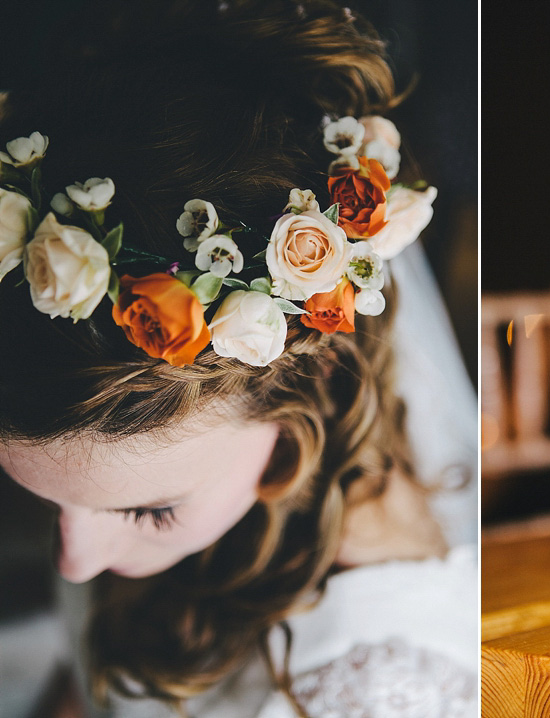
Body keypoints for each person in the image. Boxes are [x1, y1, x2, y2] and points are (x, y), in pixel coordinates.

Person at [0, 1, 478, 716]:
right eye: (47, 499)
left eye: (152, 511)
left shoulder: (376, 689)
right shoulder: (130, 486)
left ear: (295, 419)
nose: (74, 561)